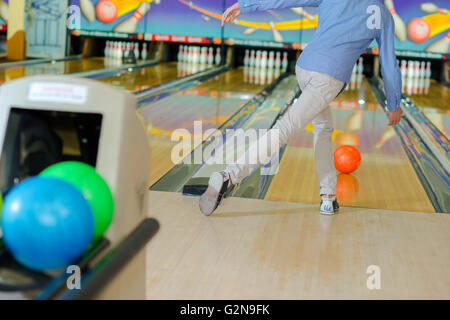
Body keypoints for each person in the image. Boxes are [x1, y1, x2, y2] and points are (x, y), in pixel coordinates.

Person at [200, 0, 403, 215]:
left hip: (305, 67)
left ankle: (328, 196)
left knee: (323, 128)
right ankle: (229, 175)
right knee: (285, 128)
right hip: (328, 79)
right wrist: (394, 103)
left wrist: (247, 5)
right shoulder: (383, 14)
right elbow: (389, 64)